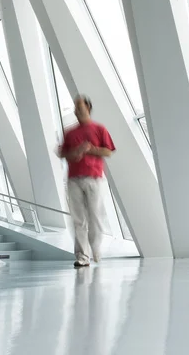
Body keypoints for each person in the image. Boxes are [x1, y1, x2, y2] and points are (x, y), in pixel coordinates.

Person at [59, 94, 115, 267]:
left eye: (79, 107)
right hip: (74, 179)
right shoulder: (69, 132)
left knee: (95, 217)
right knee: (78, 219)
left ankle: (95, 247)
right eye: (75, 107)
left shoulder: (99, 129)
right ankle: (82, 257)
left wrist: (90, 149)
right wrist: (74, 153)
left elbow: (108, 151)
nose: (76, 110)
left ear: (88, 108)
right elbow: (62, 153)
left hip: (94, 178)